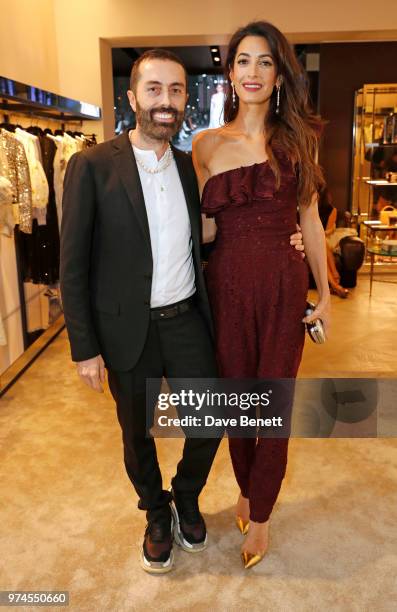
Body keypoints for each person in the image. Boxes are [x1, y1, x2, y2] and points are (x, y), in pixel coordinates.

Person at [60, 48, 304, 574]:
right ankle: (155, 512)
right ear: (133, 98)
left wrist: (284, 241)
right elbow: (72, 265)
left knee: (209, 420)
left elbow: (214, 232)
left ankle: (186, 496)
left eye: (175, 91)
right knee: (138, 432)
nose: (165, 102)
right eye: (154, 90)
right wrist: (85, 348)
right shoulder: (92, 166)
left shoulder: (191, 164)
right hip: (126, 329)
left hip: (188, 318)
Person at [193, 21, 330, 569]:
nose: (253, 72)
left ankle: (263, 513)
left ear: (279, 75)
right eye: (243, 61)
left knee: (271, 403)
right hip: (226, 285)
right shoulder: (204, 145)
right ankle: (246, 488)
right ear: (230, 73)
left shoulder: (298, 140)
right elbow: (200, 230)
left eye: (265, 62)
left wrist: (321, 290)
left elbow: (311, 219)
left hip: (281, 283)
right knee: (236, 400)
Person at [318, 187, 349, 298]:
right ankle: (335, 283)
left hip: (325, 239)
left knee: (321, 243)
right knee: (320, 243)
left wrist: (318, 234)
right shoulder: (308, 210)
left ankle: (334, 285)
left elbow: (329, 230)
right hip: (312, 241)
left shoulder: (332, 210)